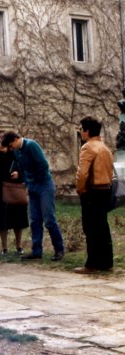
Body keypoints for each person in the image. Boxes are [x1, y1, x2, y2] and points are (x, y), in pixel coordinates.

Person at [1, 131, 65, 261]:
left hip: (44, 184)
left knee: (49, 219)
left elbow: (43, 165)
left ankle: (59, 249)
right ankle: (36, 251)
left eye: (11, 145)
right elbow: (22, 167)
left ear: (15, 139)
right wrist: (24, 179)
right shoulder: (16, 152)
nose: (11, 149)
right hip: (32, 186)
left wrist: (34, 179)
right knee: (34, 220)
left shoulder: (31, 145)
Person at [75, 116, 114, 274]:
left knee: (90, 228)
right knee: (102, 227)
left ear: (87, 131)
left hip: (92, 191)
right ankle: (106, 262)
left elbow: (82, 173)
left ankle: (91, 264)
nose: (81, 132)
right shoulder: (105, 147)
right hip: (105, 189)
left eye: (81, 129)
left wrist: (80, 188)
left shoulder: (88, 147)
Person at [0, 134, 28, 255]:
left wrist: (19, 174)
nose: (1, 144)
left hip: (15, 188)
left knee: (18, 219)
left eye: (3, 141)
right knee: (2, 221)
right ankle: (4, 247)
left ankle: (19, 246)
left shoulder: (14, 153)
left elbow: (23, 168)